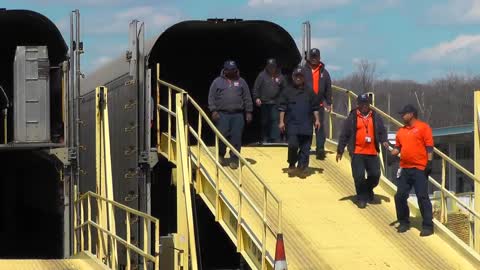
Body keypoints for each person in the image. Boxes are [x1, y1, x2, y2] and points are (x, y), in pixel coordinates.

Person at [336, 94, 389, 208]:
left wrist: (384, 140)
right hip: (357, 151)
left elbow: (382, 131)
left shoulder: (375, 116)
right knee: (358, 176)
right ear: (358, 104)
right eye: (363, 103)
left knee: (375, 175)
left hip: (372, 151)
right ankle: (361, 197)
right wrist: (340, 150)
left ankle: (368, 189)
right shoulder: (352, 117)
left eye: (367, 103)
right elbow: (344, 134)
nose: (365, 106)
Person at [390, 104, 434, 237]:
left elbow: (429, 147)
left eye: (404, 114)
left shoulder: (423, 127)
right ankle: (404, 222)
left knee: (422, 196)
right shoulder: (401, 131)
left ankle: (427, 225)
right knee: (400, 196)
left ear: (411, 114)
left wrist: (429, 162)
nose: (402, 116)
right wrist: (393, 151)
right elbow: (398, 148)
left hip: (420, 168)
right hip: (405, 168)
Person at [208, 60, 253, 169]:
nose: (232, 71)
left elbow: (247, 97)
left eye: (234, 69)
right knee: (222, 135)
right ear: (225, 70)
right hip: (222, 114)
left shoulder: (241, 82)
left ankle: (234, 158)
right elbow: (211, 97)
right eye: (230, 70)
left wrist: (249, 112)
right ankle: (221, 155)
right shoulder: (217, 82)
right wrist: (213, 110)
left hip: (237, 114)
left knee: (236, 137)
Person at [278, 67, 321, 178]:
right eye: (296, 76)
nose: (298, 78)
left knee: (305, 148)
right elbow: (282, 108)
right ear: (293, 77)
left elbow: (315, 107)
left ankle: (302, 168)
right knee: (293, 145)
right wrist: (281, 122)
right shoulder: (287, 91)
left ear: (303, 78)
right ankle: (292, 164)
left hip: (306, 124)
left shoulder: (310, 92)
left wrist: (317, 120)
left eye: (300, 76)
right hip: (292, 124)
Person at [303, 48, 332, 160]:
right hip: (306, 104)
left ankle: (320, 149)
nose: (314, 59)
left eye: (316, 57)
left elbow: (328, 88)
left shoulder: (324, 72)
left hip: (319, 104)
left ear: (319, 58)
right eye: (312, 57)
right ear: (309, 58)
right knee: (306, 127)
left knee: (319, 127)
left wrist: (328, 103)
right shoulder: (303, 70)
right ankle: (306, 147)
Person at [252, 58, 285, 143]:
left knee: (275, 120)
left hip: (276, 103)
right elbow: (256, 88)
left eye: (273, 66)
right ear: (267, 66)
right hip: (264, 102)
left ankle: (275, 138)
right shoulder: (261, 76)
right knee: (265, 121)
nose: (271, 68)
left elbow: (284, 89)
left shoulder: (280, 76)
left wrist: (283, 99)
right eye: (270, 66)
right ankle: (265, 138)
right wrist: (257, 98)